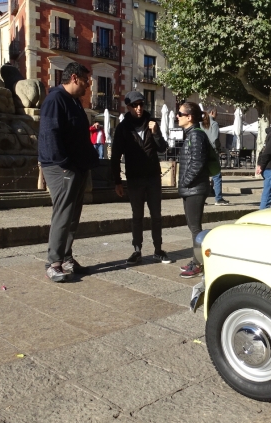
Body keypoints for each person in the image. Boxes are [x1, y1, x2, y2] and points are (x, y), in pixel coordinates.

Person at [38, 62, 99, 282]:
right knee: (63, 214)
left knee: (73, 216)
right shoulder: (55, 100)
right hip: (61, 167)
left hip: (77, 167)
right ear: (74, 78)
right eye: (85, 81)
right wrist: (64, 163)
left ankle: (66, 257)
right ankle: (53, 262)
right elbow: (49, 135)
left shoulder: (75, 102)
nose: (88, 86)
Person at [111, 90, 172, 266]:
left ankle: (158, 250)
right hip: (134, 178)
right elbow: (115, 157)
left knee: (156, 215)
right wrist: (117, 181)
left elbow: (162, 148)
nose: (139, 108)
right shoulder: (123, 128)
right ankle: (137, 250)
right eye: (135, 105)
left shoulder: (152, 123)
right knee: (137, 215)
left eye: (141, 104)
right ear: (128, 106)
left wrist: (156, 133)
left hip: (153, 177)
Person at [177, 102, 209, 278]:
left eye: (180, 113)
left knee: (196, 229)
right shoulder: (191, 134)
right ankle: (196, 260)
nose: (177, 116)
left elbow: (197, 162)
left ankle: (199, 264)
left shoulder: (196, 135)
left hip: (195, 189)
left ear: (189, 117)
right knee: (193, 227)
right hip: (192, 188)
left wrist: (185, 181)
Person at [202, 108, 229, 206]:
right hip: (212, 152)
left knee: (204, 176)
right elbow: (215, 139)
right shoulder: (214, 124)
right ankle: (218, 198)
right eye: (216, 113)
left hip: (202, 152)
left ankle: (202, 199)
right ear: (212, 113)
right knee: (217, 176)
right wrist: (218, 149)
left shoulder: (201, 124)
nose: (217, 115)